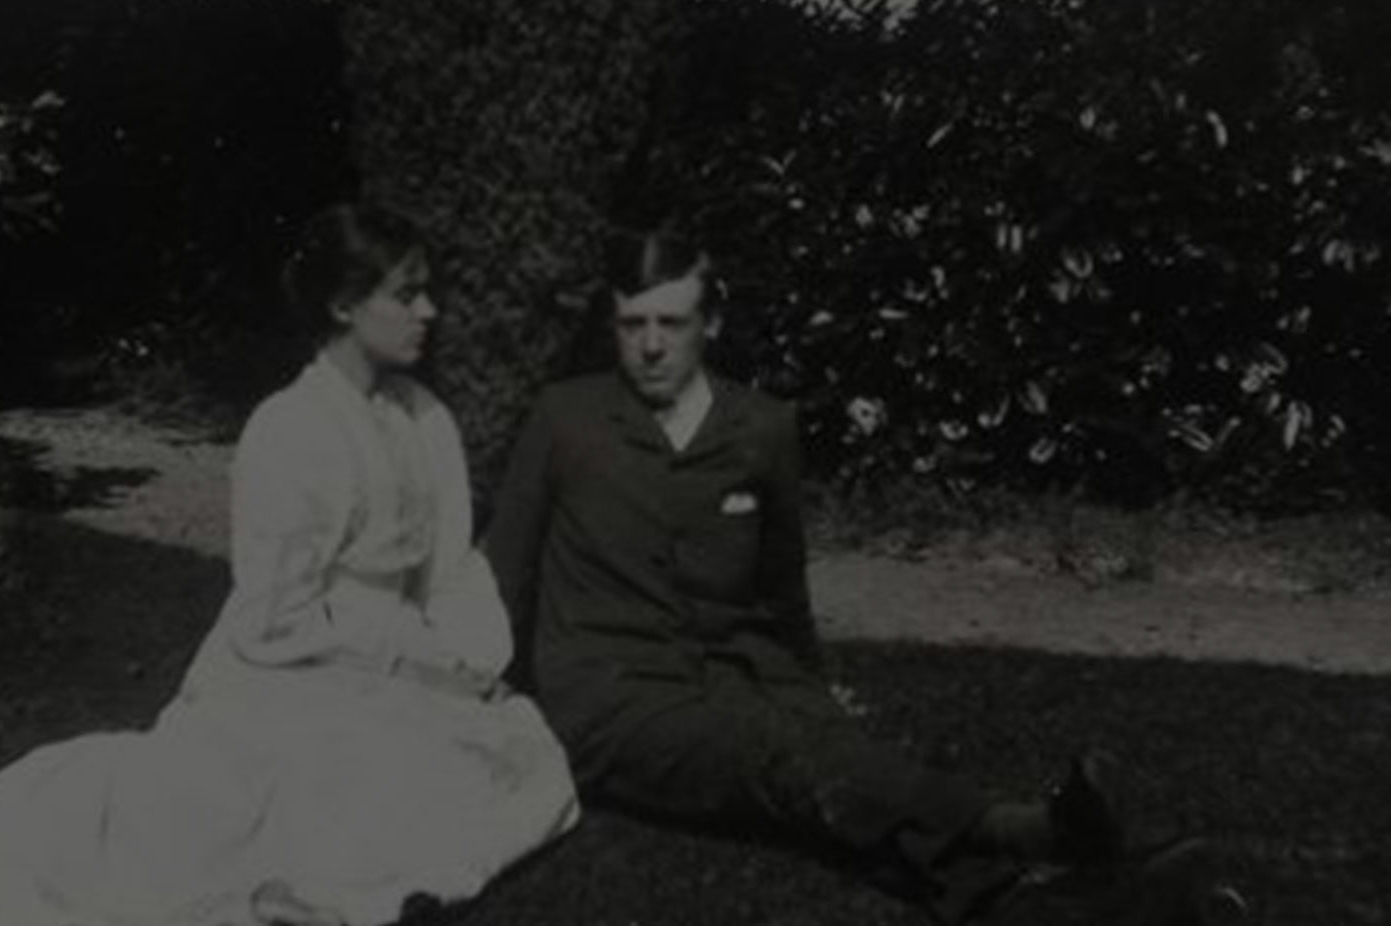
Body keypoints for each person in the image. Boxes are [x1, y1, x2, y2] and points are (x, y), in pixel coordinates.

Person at [0, 204, 581, 926]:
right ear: (344, 305)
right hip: (297, 664)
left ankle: (349, 894)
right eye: (407, 294)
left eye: (427, 292)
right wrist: (398, 660)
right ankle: (314, 892)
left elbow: (449, 563)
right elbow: (275, 618)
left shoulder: (423, 417)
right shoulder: (289, 429)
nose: (430, 311)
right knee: (302, 792)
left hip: (407, 656)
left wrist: (463, 657)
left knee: (518, 769)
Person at [484, 226, 1216, 924]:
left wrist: (808, 690)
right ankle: (1027, 829)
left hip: (735, 675)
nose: (650, 346)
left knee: (826, 777)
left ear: (711, 323)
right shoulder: (565, 419)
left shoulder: (761, 428)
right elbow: (500, 579)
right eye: (631, 324)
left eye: (671, 323)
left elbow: (781, 592)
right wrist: (484, 702)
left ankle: (1028, 908)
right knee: (785, 761)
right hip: (611, 702)